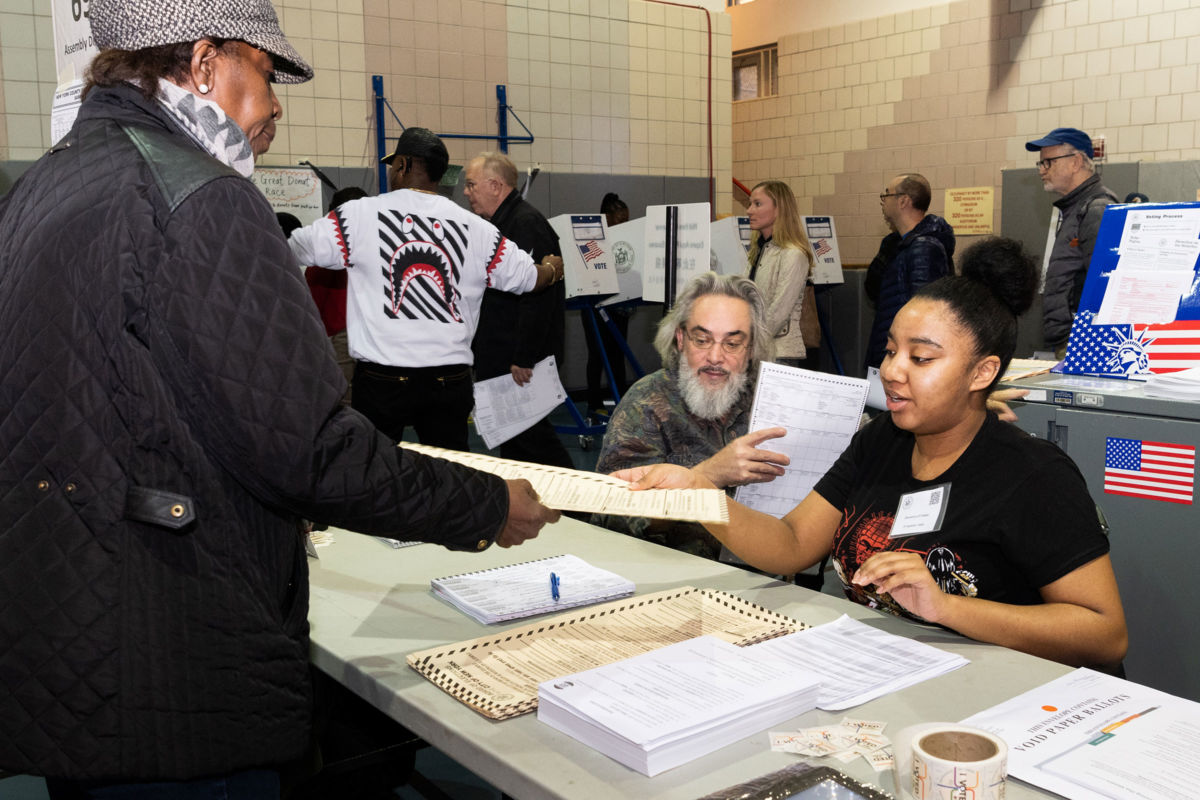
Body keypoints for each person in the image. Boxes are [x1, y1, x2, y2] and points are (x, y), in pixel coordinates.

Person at [0, 1, 559, 795]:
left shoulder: (43, 187)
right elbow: (309, 452)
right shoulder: (202, 200)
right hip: (178, 665)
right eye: (263, 73)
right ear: (203, 64)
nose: (275, 103)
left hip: (69, 648)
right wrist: (483, 505)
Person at [617, 239, 1128, 669]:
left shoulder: (1034, 475)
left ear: (981, 373)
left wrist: (945, 607)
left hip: (997, 687)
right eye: (889, 351)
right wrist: (704, 493)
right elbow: (793, 543)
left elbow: (1104, 634)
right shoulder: (882, 440)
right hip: (891, 669)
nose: (892, 371)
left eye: (921, 358)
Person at [289, 130, 564, 452]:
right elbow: (528, 278)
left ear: (403, 165)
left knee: (374, 471)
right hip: (449, 381)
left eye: (394, 166)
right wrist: (552, 268)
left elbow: (295, 248)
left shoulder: (357, 215)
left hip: (382, 380)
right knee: (451, 471)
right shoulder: (478, 228)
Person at [594, 272, 789, 559]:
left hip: (764, 572)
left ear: (750, 350)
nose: (715, 356)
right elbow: (610, 515)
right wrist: (710, 474)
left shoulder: (772, 398)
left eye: (732, 344)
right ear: (681, 339)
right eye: (702, 340)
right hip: (672, 576)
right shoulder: (648, 402)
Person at [464, 151, 574, 469]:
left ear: (496, 186)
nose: (467, 192)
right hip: (501, 355)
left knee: (534, 441)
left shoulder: (525, 224)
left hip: (518, 362)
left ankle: (584, 509)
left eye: (472, 185)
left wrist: (524, 357)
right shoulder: (500, 225)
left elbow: (538, 297)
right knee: (514, 442)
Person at [1025, 127, 1118, 357]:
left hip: (1084, 338)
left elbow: (1105, 282)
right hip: (1070, 336)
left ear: (1076, 162)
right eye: (1041, 164)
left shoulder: (1097, 208)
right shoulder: (1075, 208)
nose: (1041, 171)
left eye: (1048, 162)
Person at [864, 173, 955, 369]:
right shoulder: (895, 245)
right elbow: (873, 290)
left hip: (906, 357)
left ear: (903, 200)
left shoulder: (925, 247)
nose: (882, 201)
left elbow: (926, 312)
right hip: (891, 349)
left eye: (886, 194)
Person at [303, 185, 368, 405]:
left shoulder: (329, 246)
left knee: (341, 398)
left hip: (341, 333)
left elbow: (312, 300)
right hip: (362, 331)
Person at [745, 180, 817, 367]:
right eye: (750, 203)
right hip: (756, 349)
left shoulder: (793, 254)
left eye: (758, 204)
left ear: (779, 209)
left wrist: (748, 344)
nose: (749, 210)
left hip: (779, 354)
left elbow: (778, 312)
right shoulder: (759, 250)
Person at [580, 192, 634, 417]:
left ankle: (620, 402)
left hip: (619, 306)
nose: (625, 224)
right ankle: (594, 404)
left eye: (627, 220)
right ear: (607, 217)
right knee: (597, 355)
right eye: (621, 220)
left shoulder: (626, 241)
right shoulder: (590, 240)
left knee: (617, 355)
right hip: (595, 306)